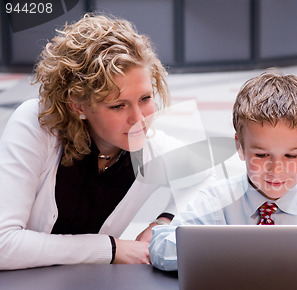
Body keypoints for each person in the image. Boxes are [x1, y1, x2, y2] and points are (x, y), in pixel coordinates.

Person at [149, 70, 297, 273]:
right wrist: (234, 252)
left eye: (291, 155)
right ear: (240, 146)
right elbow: (160, 245)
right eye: (262, 155)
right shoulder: (216, 201)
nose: (276, 169)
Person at [0, 14, 186, 270]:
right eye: (118, 105)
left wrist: (164, 222)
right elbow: (3, 244)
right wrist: (111, 248)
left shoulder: (149, 146)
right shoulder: (35, 125)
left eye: (145, 99)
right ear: (77, 105)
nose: (139, 119)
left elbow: (211, 177)